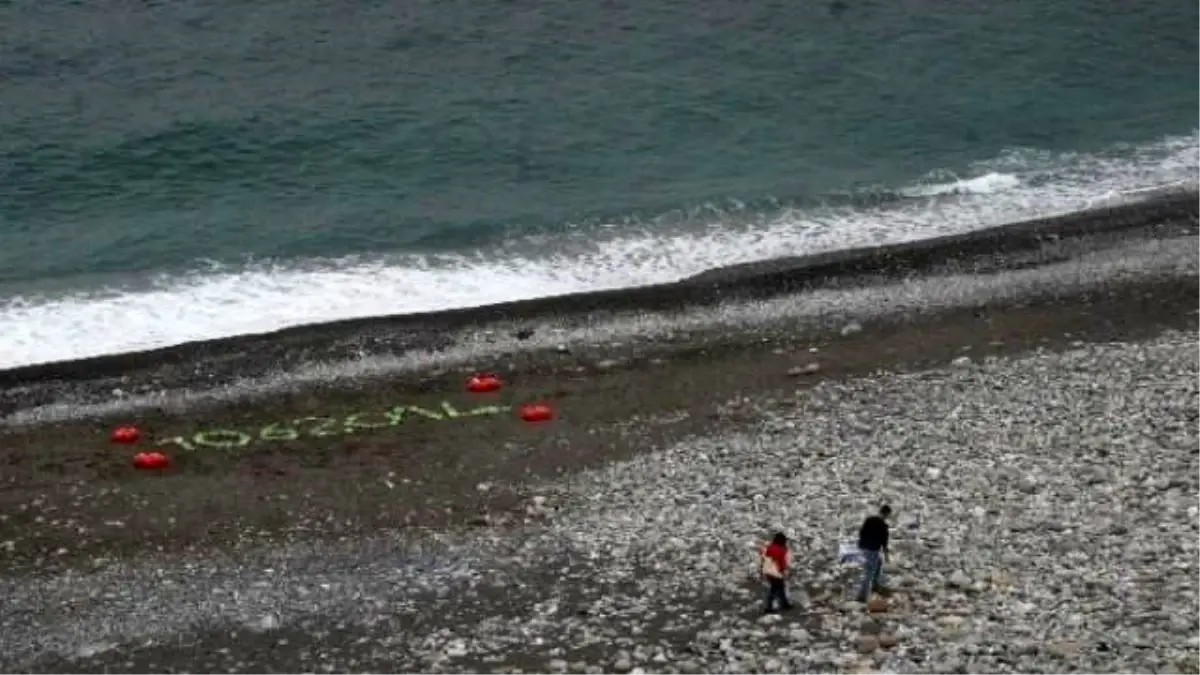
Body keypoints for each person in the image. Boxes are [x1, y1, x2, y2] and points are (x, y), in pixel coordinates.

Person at [855, 504, 892, 602]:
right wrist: (887, 556)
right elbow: (884, 543)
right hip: (872, 550)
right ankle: (861, 597)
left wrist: (862, 543)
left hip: (863, 547)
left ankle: (875, 584)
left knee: (879, 562)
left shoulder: (869, 519)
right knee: (869, 572)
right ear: (887, 514)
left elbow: (861, 532)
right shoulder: (883, 526)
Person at [761, 532, 793, 613]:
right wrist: (783, 570)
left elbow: (765, 558)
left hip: (768, 570)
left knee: (779, 587)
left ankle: (784, 603)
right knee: (775, 588)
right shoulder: (781, 549)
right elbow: (782, 562)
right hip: (776, 571)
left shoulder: (770, 548)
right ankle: (769, 607)